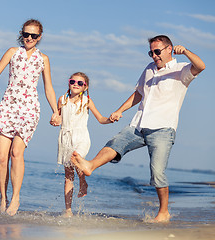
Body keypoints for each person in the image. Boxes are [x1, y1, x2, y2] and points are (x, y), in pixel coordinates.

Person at [71, 35, 205, 222]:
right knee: (116, 142)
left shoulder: (180, 69)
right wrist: (119, 110)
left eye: (157, 52)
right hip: (139, 124)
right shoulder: (149, 69)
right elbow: (138, 94)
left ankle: (163, 212)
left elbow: (201, 66)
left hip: (163, 129)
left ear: (169, 49)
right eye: (151, 52)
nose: (154, 56)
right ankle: (90, 165)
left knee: (157, 171)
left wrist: (187, 52)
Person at [0, 19, 59, 216]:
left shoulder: (43, 59)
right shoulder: (12, 52)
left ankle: (16, 198)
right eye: (26, 34)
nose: (29, 38)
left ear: (39, 37)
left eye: (34, 36)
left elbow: (48, 88)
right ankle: (3, 198)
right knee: (2, 156)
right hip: (8, 106)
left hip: (29, 110)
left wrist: (55, 111)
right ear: (22, 34)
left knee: (16, 153)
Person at [56, 72, 112, 217]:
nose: (76, 84)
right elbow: (59, 119)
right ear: (68, 83)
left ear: (85, 87)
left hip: (81, 137)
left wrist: (110, 119)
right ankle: (68, 210)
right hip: (66, 138)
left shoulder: (87, 101)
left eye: (80, 83)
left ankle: (82, 181)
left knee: (76, 158)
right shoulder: (62, 100)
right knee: (68, 175)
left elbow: (100, 118)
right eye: (72, 81)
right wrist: (54, 120)